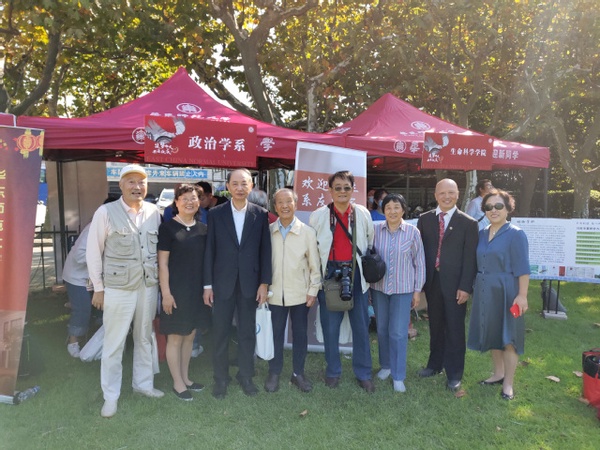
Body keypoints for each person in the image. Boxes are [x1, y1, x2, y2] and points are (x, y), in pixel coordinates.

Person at [87, 164, 164, 418]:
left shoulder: (154, 212)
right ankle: (111, 396)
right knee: (114, 342)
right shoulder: (105, 212)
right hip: (118, 288)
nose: (137, 187)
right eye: (131, 182)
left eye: (141, 182)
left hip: (147, 286)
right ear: (120, 185)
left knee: (144, 337)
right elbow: (93, 252)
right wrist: (98, 288)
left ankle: (143, 385)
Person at [203, 168, 272, 399]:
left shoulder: (260, 214)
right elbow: (210, 250)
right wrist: (207, 285)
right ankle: (221, 378)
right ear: (228, 187)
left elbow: (265, 251)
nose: (240, 188)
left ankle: (246, 375)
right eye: (235, 184)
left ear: (251, 186)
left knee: (247, 332)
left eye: (244, 184)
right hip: (222, 282)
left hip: (250, 283)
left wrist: (264, 283)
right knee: (220, 332)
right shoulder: (216, 214)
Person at [309, 170, 375, 393]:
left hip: (356, 275)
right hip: (330, 276)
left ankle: (364, 373)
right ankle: (333, 371)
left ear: (353, 190)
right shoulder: (319, 215)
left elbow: (369, 241)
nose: (342, 192)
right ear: (330, 190)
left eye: (347, 187)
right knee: (330, 327)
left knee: (361, 327)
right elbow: (313, 249)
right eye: (337, 188)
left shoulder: (362, 214)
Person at [416, 178, 478, 392]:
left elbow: (470, 258)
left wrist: (466, 287)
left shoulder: (468, 223)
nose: (446, 196)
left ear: (457, 194)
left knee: (454, 328)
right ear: (436, 195)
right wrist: (419, 283)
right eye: (442, 193)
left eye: (451, 192)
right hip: (432, 282)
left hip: (456, 286)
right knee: (435, 326)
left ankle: (454, 374)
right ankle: (434, 365)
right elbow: (419, 252)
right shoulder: (424, 220)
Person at [467, 189, 530, 400]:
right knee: (492, 333)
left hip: (507, 290)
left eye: (498, 206)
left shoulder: (516, 234)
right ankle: (498, 373)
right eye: (488, 207)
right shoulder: (482, 233)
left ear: (508, 208)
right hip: (485, 290)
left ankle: (508, 384)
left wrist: (522, 295)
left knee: (509, 337)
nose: (493, 210)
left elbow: (523, 268)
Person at [264, 188, 321, 393]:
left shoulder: (307, 232)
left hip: (300, 294)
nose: (285, 206)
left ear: (296, 204)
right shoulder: (268, 231)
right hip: (274, 294)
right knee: (275, 335)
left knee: (300, 334)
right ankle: (274, 372)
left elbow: (315, 266)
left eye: (289, 201)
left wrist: (313, 290)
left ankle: (298, 373)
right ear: (275, 206)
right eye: (280, 202)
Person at [370, 194, 425, 393]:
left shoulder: (412, 232)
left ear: (403, 209)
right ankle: (386, 366)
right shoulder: (375, 230)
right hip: (379, 288)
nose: (392, 211)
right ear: (383, 210)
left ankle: (398, 375)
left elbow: (420, 263)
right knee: (382, 329)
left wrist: (417, 291)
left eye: (396, 207)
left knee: (399, 332)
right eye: (388, 208)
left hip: (403, 289)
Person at [158, 184, 208, 401]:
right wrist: (166, 294)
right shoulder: (168, 228)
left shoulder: (203, 229)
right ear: (176, 202)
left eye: (194, 198)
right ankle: (177, 383)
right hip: (175, 291)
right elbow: (162, 264)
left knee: (190, 335)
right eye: (184, 198)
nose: (189, 202)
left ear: (199, 202)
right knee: (175, 337)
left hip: (196, 292)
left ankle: (186, 378)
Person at [63, 223, 94, 358]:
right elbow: (79, 256)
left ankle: (95, 339)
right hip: (76, 277)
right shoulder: (92, 230)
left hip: (92, 278)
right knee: (82, 309)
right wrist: (101, 257)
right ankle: (73, 342)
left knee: (100, 306)